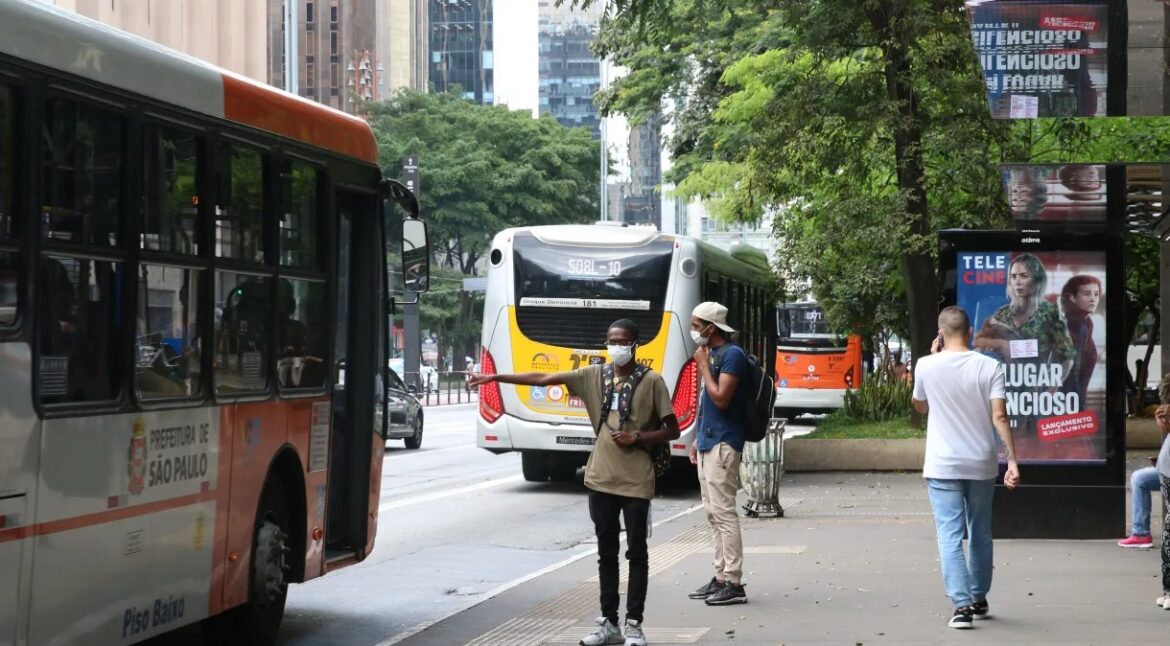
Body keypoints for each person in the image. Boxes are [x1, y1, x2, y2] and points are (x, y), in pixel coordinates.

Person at [468, 319, 679, 646]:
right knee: (605, 553)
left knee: (637, 554)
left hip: (637, 480)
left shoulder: (652, 381)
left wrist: (638, 436)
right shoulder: (594, 375)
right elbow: (540, 376)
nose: (616, 346)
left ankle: (634, 624)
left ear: (635, 344)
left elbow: (672, 429)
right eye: (611, 340)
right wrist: (494, 377)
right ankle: (609, 624)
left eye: (622, 341)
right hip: (600, 478)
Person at [912, 306, 1020, 629]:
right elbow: (999, 417)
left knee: (949, 534)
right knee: (980, 531)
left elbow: (919, 406)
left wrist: (931, 358)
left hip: (942, 464)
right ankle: (978, 597)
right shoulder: (989, 366)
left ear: (940, 334)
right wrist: (1012, 460)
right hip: (981, 463)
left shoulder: (925, 365)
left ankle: (961, 608)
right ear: (970, 331)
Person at [973, 253, 1075, 460]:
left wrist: (1054, 386)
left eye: (1024, 276)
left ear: (1036, 280)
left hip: (1036, 389)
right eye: (1013, 276)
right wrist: (1002, 344)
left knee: (1036, 447)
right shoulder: (1002, 314)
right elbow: (978, 342)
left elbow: (1067, 355)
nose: (1017, 282)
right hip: (1006, 390)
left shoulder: (1049, 312)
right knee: (1007, 442)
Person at [686, 301, 750, 606]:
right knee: (712, 515)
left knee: (724, 514)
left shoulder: (732, 355)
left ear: (712, 328)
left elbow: (721, 399)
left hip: (724, 443)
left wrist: (702, 366)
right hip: (708, 441)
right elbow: (705, 405)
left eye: (697, 325)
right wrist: (696, 440)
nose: (694, 331)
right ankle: (720, 576)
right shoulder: (710, 354)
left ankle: (734, 582)